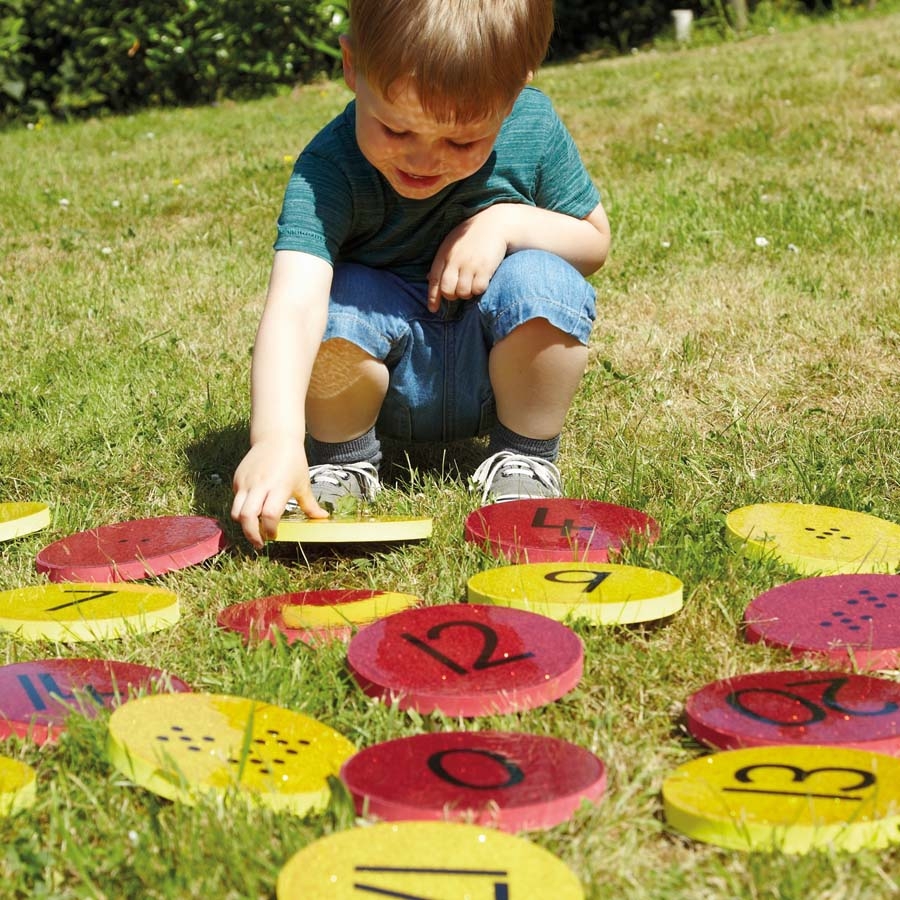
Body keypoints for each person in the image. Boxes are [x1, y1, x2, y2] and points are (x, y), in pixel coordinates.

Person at [231, 0, 611, 549]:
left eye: (461, 141)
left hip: (495, 366)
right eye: (394, 128)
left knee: (545, 280)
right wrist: (275, 436)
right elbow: (294, 303)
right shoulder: (329, 169)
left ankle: (524, 456)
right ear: (352, 67)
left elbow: (594, 242)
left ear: (513, 93)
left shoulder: (533, 125)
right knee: (343, 297)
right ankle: (344, 462)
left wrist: (505, 222)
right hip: (383, 385)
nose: (423, 159)